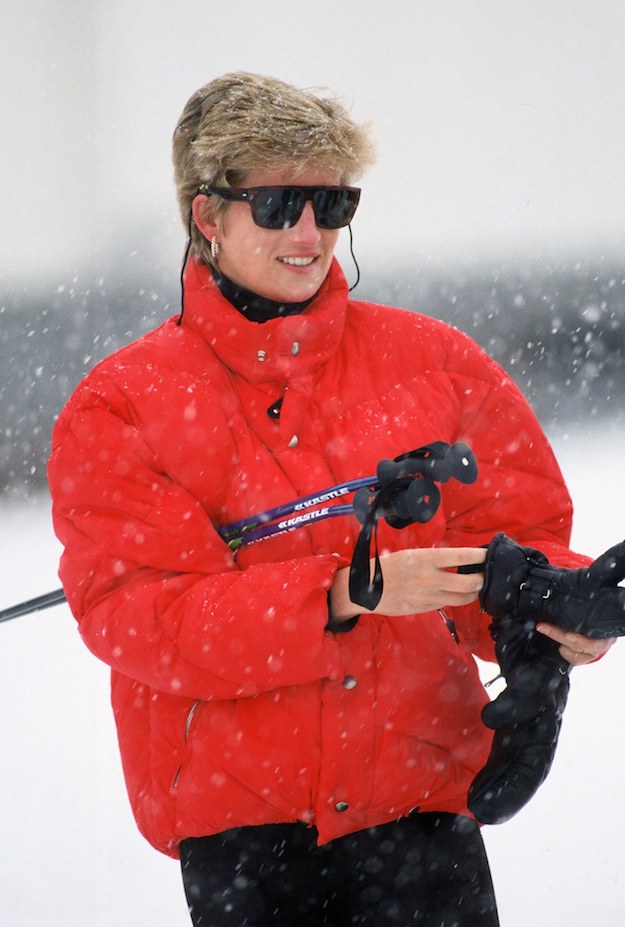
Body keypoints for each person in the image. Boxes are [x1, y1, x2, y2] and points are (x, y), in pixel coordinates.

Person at [47, 72, 613, 926]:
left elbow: (523, 533)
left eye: (331, 202)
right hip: (250, 839)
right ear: (208, 216)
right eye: (278, 205)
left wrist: (546, 614)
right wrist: (345, 592)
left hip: (422, 814)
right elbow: (140, 618)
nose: (310, 233)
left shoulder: (437, 363)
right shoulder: (121, 404)